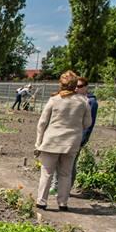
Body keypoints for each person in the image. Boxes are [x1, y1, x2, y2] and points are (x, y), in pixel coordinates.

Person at [34, 71, 93, 212]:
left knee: (47, 173)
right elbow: (87, 123)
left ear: (61, 84)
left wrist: (38, 142)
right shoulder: (83, 101)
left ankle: (42, 201)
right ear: (75, 85)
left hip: (51, 142)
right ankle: (63, 203)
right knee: (65, 174)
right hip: (71, 143)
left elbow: (42, 123)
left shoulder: (54, 100)